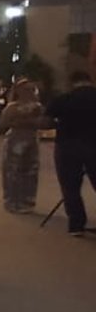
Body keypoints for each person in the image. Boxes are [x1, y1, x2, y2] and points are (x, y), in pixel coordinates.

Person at [46, 70, 96, 236]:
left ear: (71, 82)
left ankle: (76, 225)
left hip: (67, 147)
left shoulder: (64, 98)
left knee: (70, 187)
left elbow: (47, 121)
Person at [0, 80, 46, 212]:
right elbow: (3, 123)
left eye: (32, 89)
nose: (30, 92)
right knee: (13, 171)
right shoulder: (12, 107)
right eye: (26, 89)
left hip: (32, 139)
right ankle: (12, 201)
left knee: (31, 170)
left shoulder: (38, 107)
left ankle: (28, 201)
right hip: (15, 139)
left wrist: (34, 121)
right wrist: (21, 120)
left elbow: (44, 122)